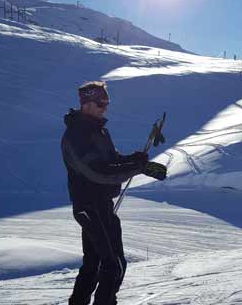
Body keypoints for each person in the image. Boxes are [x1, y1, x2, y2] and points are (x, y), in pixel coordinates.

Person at [61, 81, 167, 305]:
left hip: (103, 205)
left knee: (96, 263)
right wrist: (135, 168)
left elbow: (112, 161)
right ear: (86, 104)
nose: (104, 108)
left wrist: (136, 160)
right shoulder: (76, 136)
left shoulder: (99, 131)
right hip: (89, 206)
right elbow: (97, 172)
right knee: (113, 265)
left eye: (106, 103)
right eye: (100, 103)